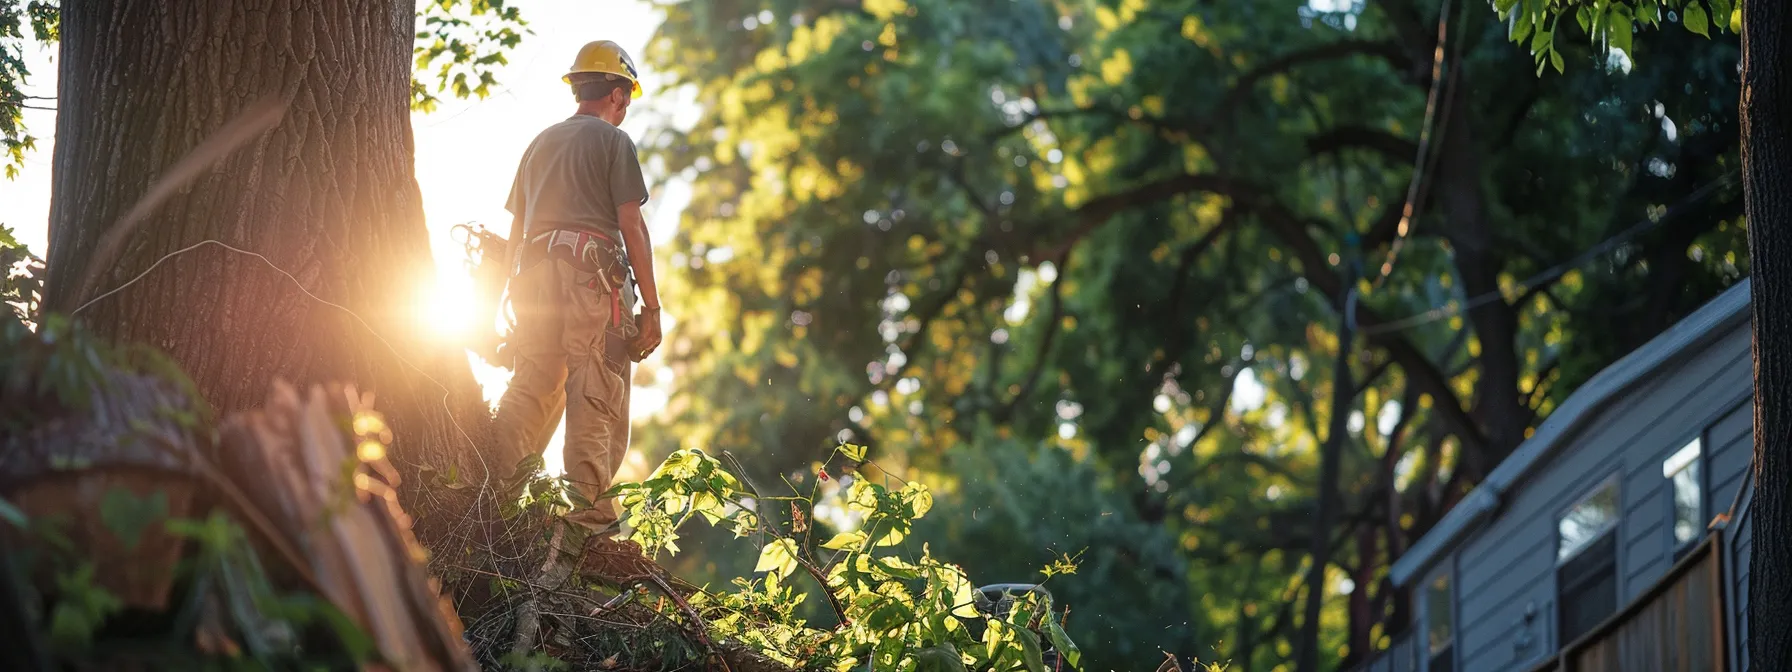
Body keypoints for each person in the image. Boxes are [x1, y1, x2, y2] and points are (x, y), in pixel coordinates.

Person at [491, 39, 663, 536]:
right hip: (593, 282)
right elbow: (632, 226)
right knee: (595, 387)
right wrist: (651, 308)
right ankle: (586, 524)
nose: (627, 105)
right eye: (626, 93)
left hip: (533, 278)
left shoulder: (539, 144)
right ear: (614, 92)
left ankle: (503, 497)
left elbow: (515, 233)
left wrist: (498, 303)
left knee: (531, 387)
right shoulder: (614, 143)